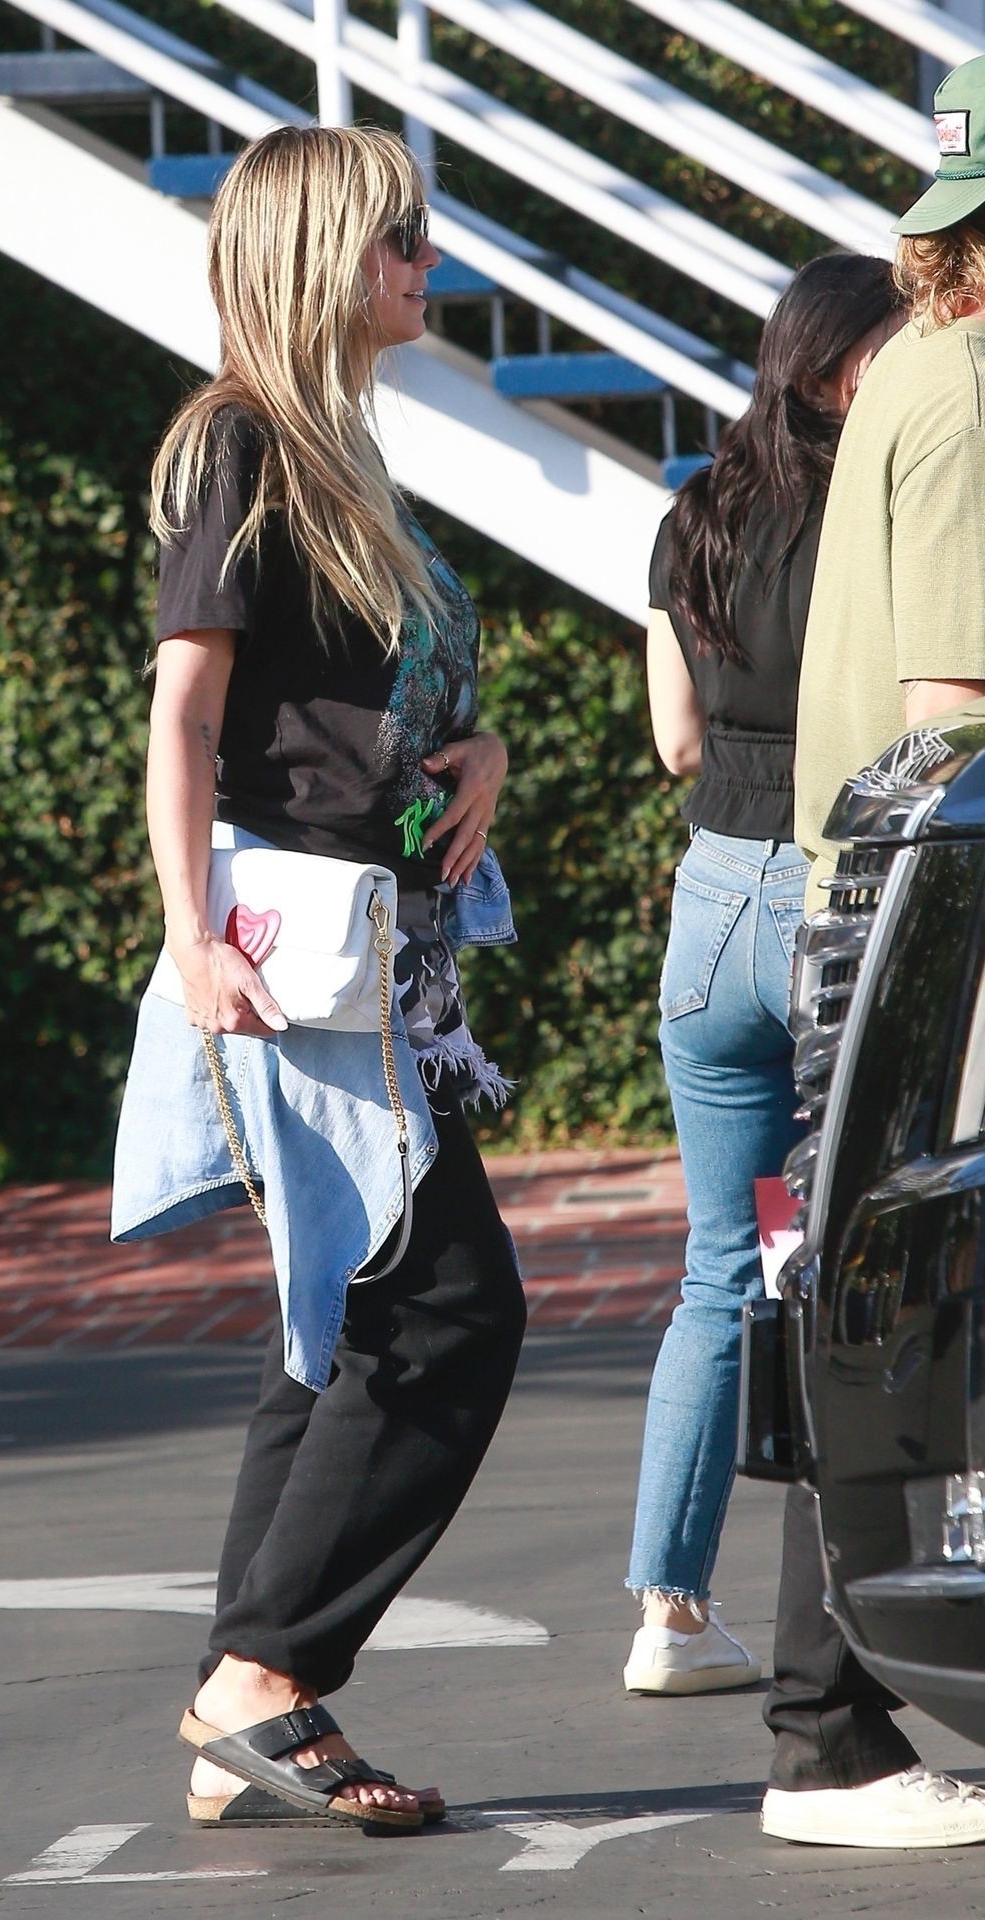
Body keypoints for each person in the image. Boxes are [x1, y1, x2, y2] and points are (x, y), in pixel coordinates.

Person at [109, 123, 526, 1835]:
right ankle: (264, 1675)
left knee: (342, 1318)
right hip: (296, 954)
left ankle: (246, 1691)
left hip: (381, 952)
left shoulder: (340, 448)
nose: (427, 265)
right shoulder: (241, 444)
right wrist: (189, 935)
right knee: (447, 1312)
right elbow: (186, 716)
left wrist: (481, 750)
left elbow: (375, 707)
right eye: (400, 239)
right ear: (320, 258)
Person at [623, 254, 905, 1697]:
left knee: (719, 1268)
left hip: (710, 908)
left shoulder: (695, 512)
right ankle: (851, 1617)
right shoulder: (882, 509)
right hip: (825, 893)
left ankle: (667, 1615)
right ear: (848, 369)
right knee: (851, 1260)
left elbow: (674, 739)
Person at [761, 53, 985, 1849]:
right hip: (942, 928)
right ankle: (825, 1736)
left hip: (867, 907)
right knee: (898, 1323)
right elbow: (952, 711)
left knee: (874, 1308)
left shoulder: (913, 360)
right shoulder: (974, 385)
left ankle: (824, 1724)